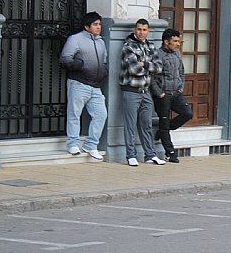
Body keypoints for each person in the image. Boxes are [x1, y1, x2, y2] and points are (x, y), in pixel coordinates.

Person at [59, 11, 108, 161]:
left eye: (99, 24)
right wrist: (79, 65)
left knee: (101, 114)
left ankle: (91, 145)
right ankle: (72, 144)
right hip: (78, 83)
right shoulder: (75, 39)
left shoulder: (100, 42)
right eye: (95, 24)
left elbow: (104, 60)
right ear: (87, 26)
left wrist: (104, 70)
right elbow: (65, 58)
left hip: (96, 85)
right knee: (74, 114)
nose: (99, 27)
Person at [119, 18, 166, 166]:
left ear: (148, 31)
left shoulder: (151, 46)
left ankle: (150, 155)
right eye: (139, 29)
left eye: (144, 30)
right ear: (135, 29)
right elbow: (134, 70)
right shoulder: (128, 46)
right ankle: (130, 155)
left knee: (146, 124)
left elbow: (159, 68)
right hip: (130, 90)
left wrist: (144, 63)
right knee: (130, 124)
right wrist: (148, 67)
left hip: (146, 91)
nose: (141, 32)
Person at [150, 28, 193, 163]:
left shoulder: (176, 54)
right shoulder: (157, 55)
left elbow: (181, 70)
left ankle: (164, 130)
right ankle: (171, 153)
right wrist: (159, 93)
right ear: (166, 42)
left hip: (176, 93)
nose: (178, 44)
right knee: (163, 123)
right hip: (163, 95)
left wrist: (181, 86)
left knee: (187, 113)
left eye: (178, 41)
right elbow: (151, 77)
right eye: (175, 41)